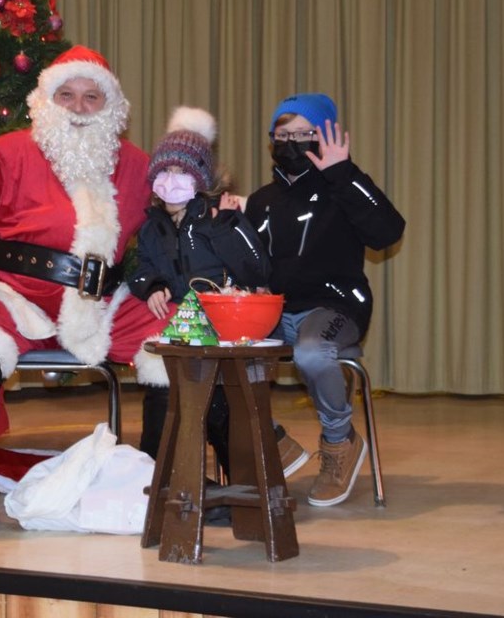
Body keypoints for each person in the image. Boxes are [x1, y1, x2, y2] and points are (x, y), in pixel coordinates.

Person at [0, 46, 173, 538]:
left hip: (102, 304)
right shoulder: (10, 151)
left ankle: (165, 480)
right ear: (46, 100)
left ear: (111, 108)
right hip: (14, 292)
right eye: (67, 95)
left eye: (91, 97)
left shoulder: (138, 165)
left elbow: (178, 216)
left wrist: (219, 205)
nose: (79, 107)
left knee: (179, 339)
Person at [244, 93, 405, 507]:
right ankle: (272, 440)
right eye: (283, 134)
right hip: (276, 311)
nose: (291, 143)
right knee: (222, 353)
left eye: (304, 133)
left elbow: (386, 232)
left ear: (325, 135)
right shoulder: (262, 201)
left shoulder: (343, 189)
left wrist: (344, 174)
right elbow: (247, 264)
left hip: (334, 308)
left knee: (312, 353)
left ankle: (340, 442)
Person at [128, 107, 307, 479]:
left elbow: (257, 269)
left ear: (201, 180)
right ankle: (158, 475)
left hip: (228, 326)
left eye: (182, 172)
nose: (171, 180)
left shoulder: (219, 217)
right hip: (187, 327)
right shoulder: (151, 228)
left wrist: (227, 228)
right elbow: (140, 267)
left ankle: (245, 482)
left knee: (220, 406)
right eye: (165, 171)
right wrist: (152, 286)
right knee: (163, 385)